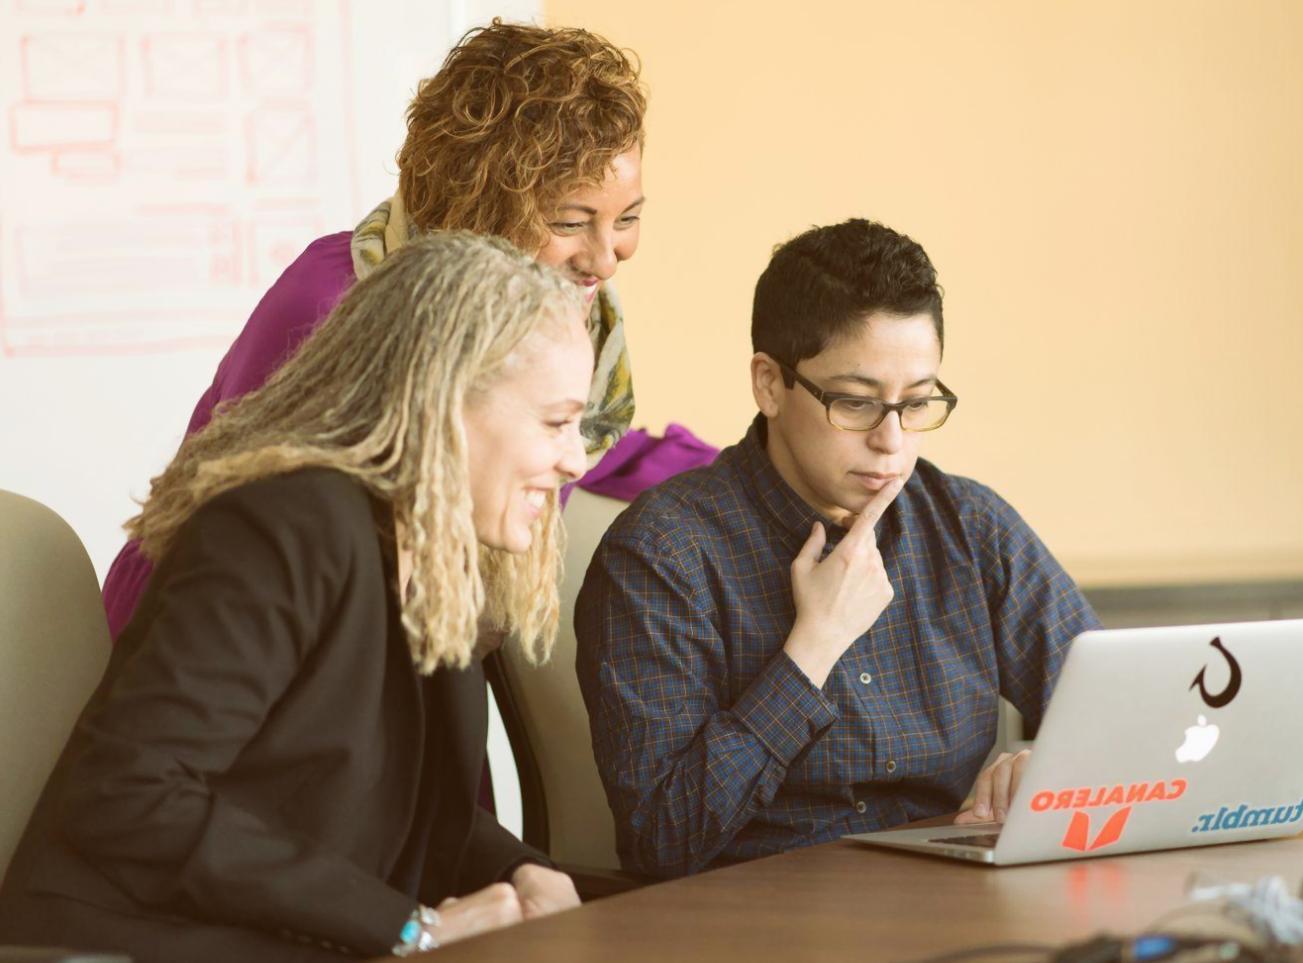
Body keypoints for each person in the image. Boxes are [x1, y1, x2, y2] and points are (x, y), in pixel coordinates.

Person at [0, 234, 590, 961]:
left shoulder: (434, 552)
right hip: (125, 944)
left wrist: (523, 871)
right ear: (445, 399)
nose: (577, 459)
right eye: (557, 421)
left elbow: (407, 812)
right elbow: (131, 793)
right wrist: (411, 927)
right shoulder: (282, 526)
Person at [574, 219, 1102, 878]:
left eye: (916, 404)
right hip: (752, 920)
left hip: (949, 906)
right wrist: (812, 647)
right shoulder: (663, 554)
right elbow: (663, 838)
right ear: (770, 383)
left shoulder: (969, 526)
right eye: (855, 404)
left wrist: (1051, 768)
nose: (891, 441)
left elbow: (1117, 717)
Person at [101, 19, 649, 639]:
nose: (606, 259)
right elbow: (253, 538)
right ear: (482, 208)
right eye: (571, 223)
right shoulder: (332, 301)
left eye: (627, 218)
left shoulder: (569, 315)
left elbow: (569, 434)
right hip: (211, 650)